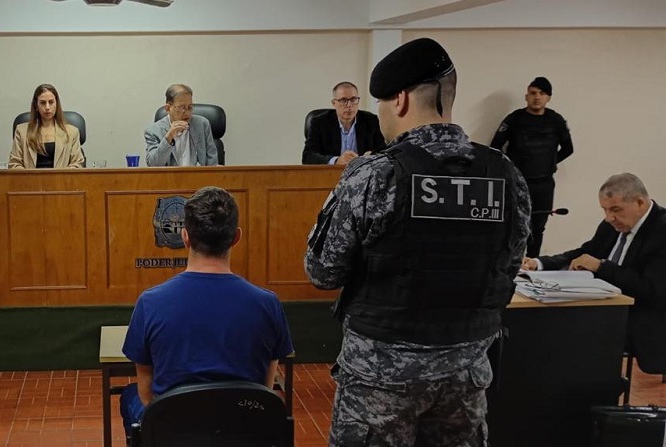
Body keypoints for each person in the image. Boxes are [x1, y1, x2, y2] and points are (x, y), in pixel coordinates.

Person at [305, 38, 531, 447]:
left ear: (400, 100)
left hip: (382, 380)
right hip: (466, 374)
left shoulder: (375, 175)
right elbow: (509, 266)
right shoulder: (506, 175)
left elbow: (322, 271)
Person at [120, 186, 293, 434]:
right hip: (243, 429)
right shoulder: (269, 304)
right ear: (236, 237)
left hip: (175, 430)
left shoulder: (150, 303)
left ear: (185, 237)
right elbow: (265, 387)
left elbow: (146, 394)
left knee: (130, 397)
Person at [523, 173, 666, 373]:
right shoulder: (613, 224)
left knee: (567, 332)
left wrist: (601, 267)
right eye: (605, 210)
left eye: (615, 209)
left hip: (642, 318)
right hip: (605, 309)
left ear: (640, 202)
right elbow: (586, 253)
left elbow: (651, 290)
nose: (609, 218)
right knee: (545, 322)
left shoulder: (662, 230)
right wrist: (539, 263)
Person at [490, 76, 574, 257]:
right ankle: (509, 265)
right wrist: (509, 169)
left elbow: (568, 149)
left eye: (542, 93)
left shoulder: (556, 120)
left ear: (548, 97)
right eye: (533, 93)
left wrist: (549, 163)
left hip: (544, 184)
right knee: (513, 225)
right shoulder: (515, 119)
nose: (537, 97)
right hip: (518, 182)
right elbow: (495, 147)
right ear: (526, 96)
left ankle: (532, 264)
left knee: (537, 228)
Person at [302, 81, 386, 165]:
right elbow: (308, 156)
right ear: (334, 103)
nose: (349, 105)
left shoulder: (371, 121)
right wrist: (336, 161)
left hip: (363, 171)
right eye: (343, 100)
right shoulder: (319, 122)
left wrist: (371, 156)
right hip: (331, 172)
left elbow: (384, 151)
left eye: (353, 100)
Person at [9, 83, 84, 169]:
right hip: (30, 178)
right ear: (36, 106)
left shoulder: (72, 132)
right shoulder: (21, 131)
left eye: (51, 102)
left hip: (62, 178)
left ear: (57, 104)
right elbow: (15, 164)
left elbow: (77, 164)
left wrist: (60, 177)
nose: (47, 107)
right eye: (43, 103)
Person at [144, 84, 219, 167]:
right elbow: (153, 164)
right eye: (181, 108)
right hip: (170, 176)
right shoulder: (153, 131)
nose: (187, 113)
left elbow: (212, 163)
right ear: (168, 108)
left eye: (190, 107)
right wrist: (169, 137)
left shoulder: (202, 124)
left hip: (198, 175)